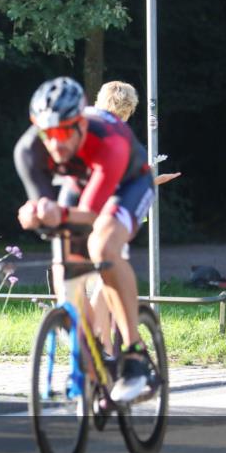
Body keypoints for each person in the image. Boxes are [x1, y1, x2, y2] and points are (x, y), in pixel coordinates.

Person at [14, 77, 156, 402]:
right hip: (81, 180)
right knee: (65, 272)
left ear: (80, 123)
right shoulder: (27, 150)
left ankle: (134, 353)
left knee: (101, 246)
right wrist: (37, 213)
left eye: (64, 132)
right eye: (48, 135)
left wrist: (56, 214)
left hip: (129, 183)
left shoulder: (110, 140)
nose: (56, 144)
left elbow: (90, 217)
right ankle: (92, 352)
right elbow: (50, 212)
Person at [88, 80, 181, 354]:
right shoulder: (121, 137)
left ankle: (101, 341)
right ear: (129, 110)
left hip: (101, 209)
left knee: (103, 272)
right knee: (106, 274)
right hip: (113, 210)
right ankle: (101, 340)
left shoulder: (91, 126)